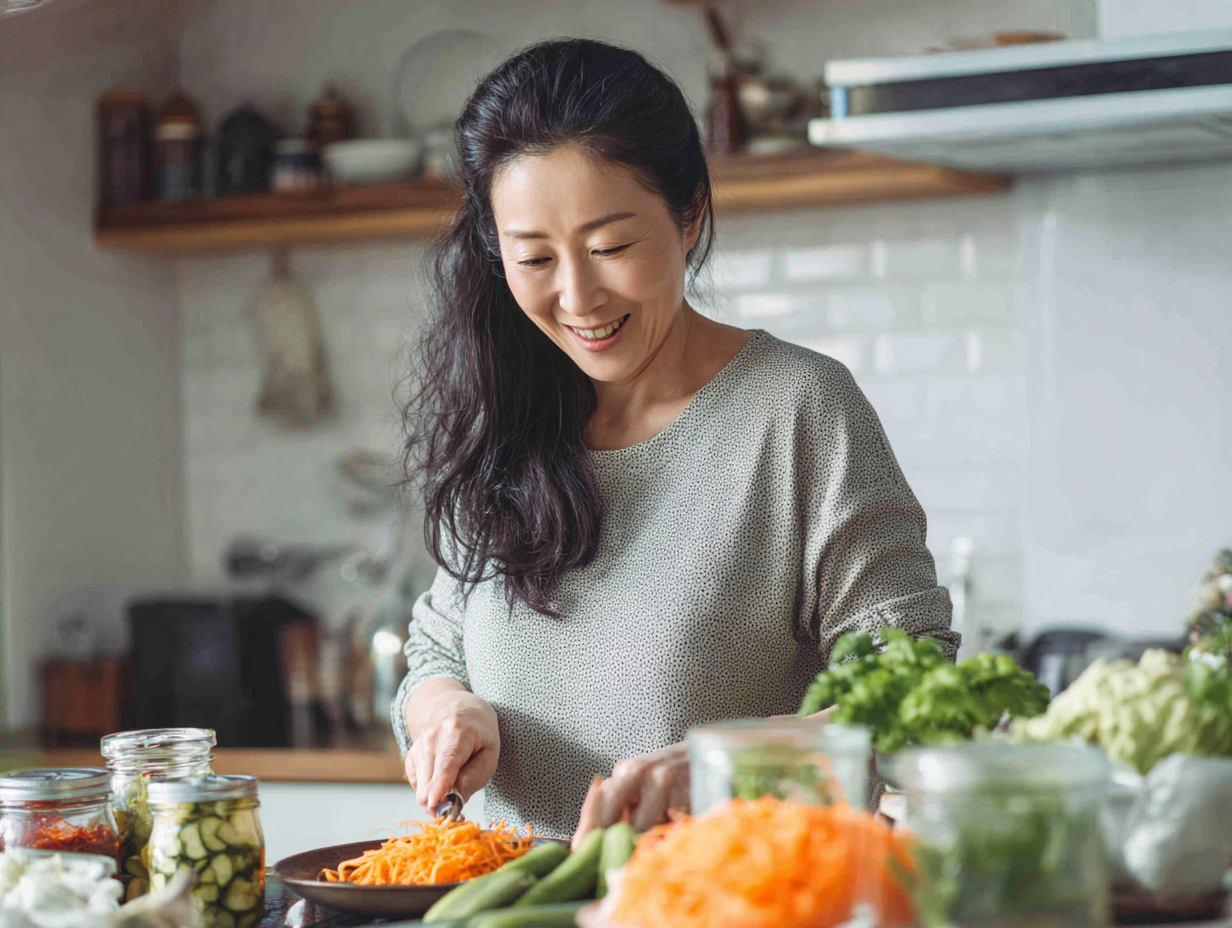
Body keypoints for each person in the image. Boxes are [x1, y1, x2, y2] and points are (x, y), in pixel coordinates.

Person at [391, 37, 958, 841]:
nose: (578, 296)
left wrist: (731, 764)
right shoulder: (509, 420)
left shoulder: (797, 409)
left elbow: (915, 690)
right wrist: (448, 711)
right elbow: (437, 643)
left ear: (688, 214)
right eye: (535, 259)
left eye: (610, 247)